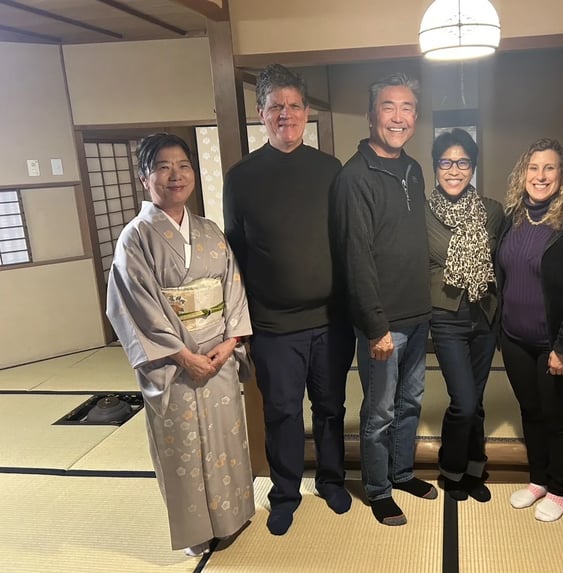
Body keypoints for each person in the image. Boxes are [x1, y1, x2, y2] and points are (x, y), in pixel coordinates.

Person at [106, 133, 255, 557]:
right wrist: (184, 356)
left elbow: (233, 291)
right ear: (144, 178)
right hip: (173, 362)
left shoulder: (209, 231)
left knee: (226, 439)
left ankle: (231, 518)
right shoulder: (135, 239)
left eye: (183, 166)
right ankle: (196, 532)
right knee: (184, 447)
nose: (176, 176)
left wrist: (228, 345)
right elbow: (135, 308)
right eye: (163, 167)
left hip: (219, 357)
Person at [223, 64, 355, 536]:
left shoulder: (330, 169)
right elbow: (233, 256)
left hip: (331, 320)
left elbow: (347, 242)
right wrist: (241, 327)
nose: (286, 114)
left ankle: (332, 480)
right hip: (274, 325)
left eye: (294, 105)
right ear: (261, 113)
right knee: (281, 412)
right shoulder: (241, 179)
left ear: (306, 111)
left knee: (331, 406)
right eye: (276, 106)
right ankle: (284, 492)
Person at [330, 73, 435, 526]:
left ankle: (403, 471)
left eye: (407, 107)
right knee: (379, 411)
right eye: (389, 107)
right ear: (372, 116)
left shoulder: (413, 168)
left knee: (411, 403)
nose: (398, 116)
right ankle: (377, 489)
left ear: (415, 115)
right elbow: (355, 257)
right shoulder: (355, 177)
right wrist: (374, 326)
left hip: (418, 312)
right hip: (383, 322)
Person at [497, 138, 563, 522]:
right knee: (530, 411)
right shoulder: (514, 216)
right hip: (514, 337)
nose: (540, 176)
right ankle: (538, 479)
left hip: (557, 342)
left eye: (549, 168)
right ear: (523, 173)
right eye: (533, 168)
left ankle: (559, 488)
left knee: (558, 415)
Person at [426, 128, 504, 502]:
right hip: (446, 317)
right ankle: (451, 469)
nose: (454, 170)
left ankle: (476, 467)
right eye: (446, 162)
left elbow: (500, 265)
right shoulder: (424, 214)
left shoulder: (491, 211)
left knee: (478, 397)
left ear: (473, 167)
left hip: (484, 315)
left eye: (462, 163)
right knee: (464, 401)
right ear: (435, 167)